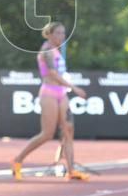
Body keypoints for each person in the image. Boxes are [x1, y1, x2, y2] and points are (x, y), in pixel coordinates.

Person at [11, 21, 89, 181]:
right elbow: (53, 74)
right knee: (47, 134)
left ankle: (71, 169)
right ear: (50, 34)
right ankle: (17, 160)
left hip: (61, 94)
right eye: (59, 33)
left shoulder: (57, 51)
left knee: (68, 130)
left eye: (63, 33)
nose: (62, 36)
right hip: (49, 93)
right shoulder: (46, 51)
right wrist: (74, 88)